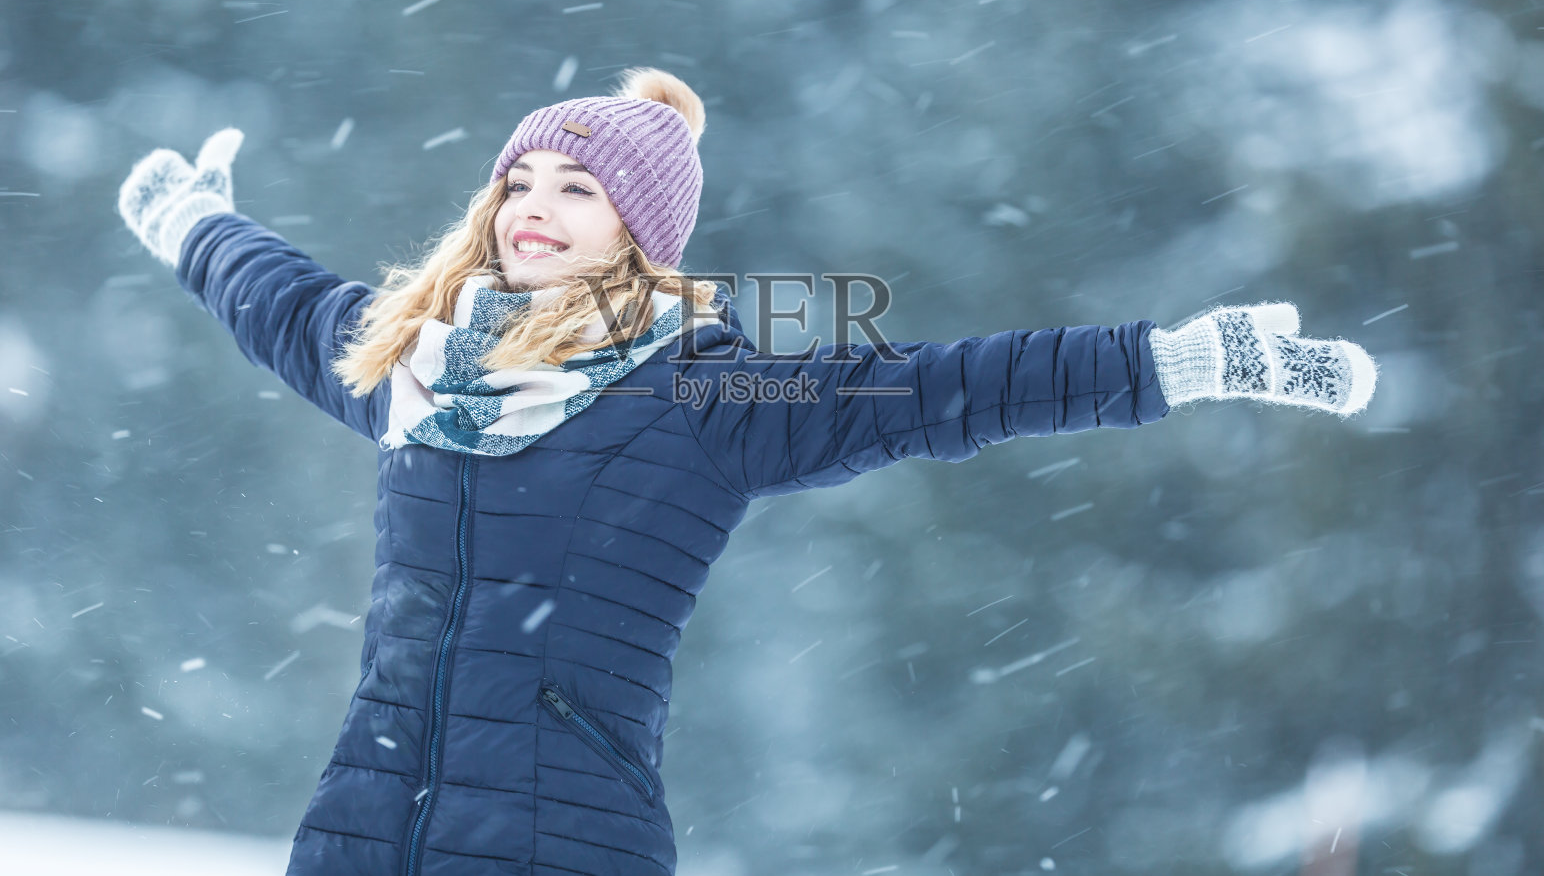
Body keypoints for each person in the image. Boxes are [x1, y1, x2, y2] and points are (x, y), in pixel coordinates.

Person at [117, 67, 1378, 876]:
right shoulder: (411, 368)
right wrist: (188, 217)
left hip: (563, 839)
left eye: (577, 187)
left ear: (641, 235)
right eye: (518, 181)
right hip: (361, 832)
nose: (531, 205)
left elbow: (945, 386)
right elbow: (277, 298)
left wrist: (1177, 359)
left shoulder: (704, 393)